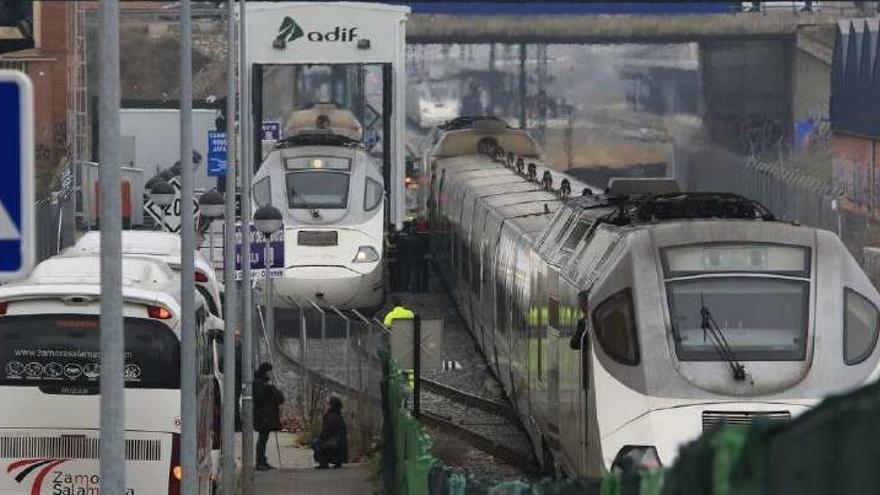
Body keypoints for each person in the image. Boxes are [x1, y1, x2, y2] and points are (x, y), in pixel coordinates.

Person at [253, 362, 284, 471]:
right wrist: (270, 388)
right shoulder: (260, 384)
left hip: (267, 416)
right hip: (263, 416)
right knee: (262, 439)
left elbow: (280, 398)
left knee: (264, 439)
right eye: (269, 371)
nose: (271, 374)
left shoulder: (266, 384)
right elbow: (260, 397)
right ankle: (259, 461)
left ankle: (262, 459)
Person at [311, 396, 348, 469]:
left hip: (334, 445)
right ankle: (338, 461)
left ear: (331, 406)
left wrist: (320, 438)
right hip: (340, 447)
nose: (327, 405)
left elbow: (325, 433)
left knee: (315, 442)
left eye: (328, 404)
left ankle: (323, 463)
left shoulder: (330, 417)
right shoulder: (339, 416)